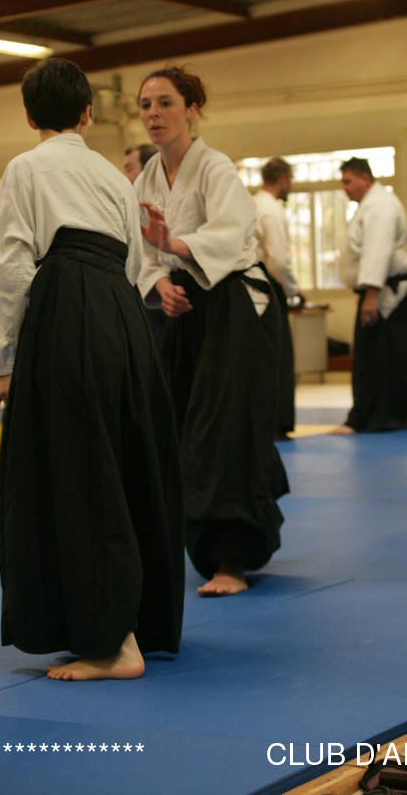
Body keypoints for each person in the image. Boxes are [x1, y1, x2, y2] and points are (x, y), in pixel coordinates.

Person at [0, 57, 183, 681]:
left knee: (77, 470)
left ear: (29, 117)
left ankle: (112, 643)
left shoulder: (25, 168)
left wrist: (5, 362)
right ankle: (132, 622)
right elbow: (132, 263)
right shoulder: (112, 175)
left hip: (64, 312)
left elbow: (13, 265)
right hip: (121, 317)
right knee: (121, 463)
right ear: (87, 114)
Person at [135, 65, 288, 597]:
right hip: (186, 306)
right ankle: (205, 541)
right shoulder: (147, 177)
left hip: (236, 303)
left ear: (192, 109)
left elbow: (231, 232)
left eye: (165, 103)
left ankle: (233, 559)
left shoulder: (215, 167)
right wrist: (159, 282)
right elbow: (140, 250)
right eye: (146, 105)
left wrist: (174, 247)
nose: (154, 114)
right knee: (183, 424)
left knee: (225, 428)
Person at [334, 157, 407, 434]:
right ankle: (372, 416)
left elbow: (377, 249)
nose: (345, 188)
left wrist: (371, 294)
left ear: (365, 178)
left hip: (387, 292)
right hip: (379, 289)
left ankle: (385, 417)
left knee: (386, 356)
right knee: (374, 355)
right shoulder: (370, 204)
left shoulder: (380, 205)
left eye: (348, 181)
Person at [254, 157, 306, 439]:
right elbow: (278, 260)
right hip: (269, 285)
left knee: (261, 356)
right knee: (277, 356)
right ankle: (277, 422)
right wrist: (293, 289)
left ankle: (262, 421)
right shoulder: (271, 210)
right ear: (283, 180)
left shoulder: (253, 203)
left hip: (251, 287)